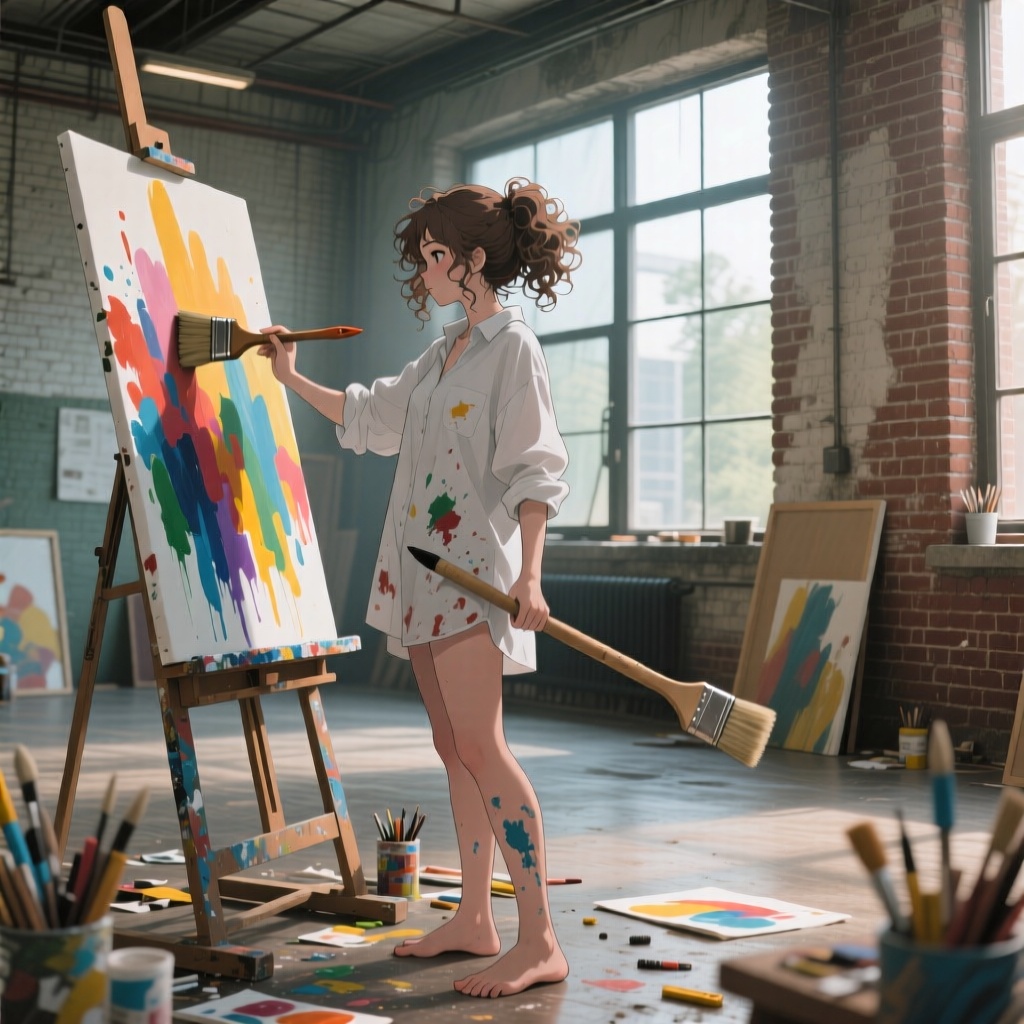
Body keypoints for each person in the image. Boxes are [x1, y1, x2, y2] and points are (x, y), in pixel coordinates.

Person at [258, 178, 581, 998]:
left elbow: (538, 471)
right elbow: (369, 416)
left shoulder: (515, 350)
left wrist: (533, 575)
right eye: (425, 257)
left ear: (473, 259)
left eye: (436, 256)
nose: (427, 271)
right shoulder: (442, 356)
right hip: (420, 573)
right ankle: (475, 915)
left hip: (476, 577)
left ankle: (540, 937)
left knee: (484, 747)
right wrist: (291, 378)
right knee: (453, 747)